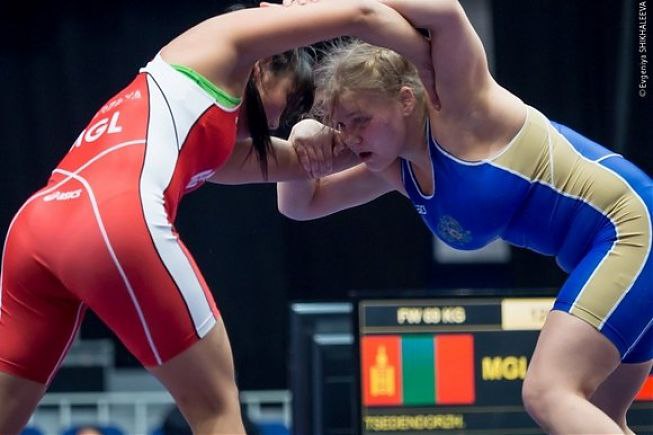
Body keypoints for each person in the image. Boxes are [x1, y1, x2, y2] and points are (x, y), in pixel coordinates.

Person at [0, 2, 434, 434]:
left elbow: (310, 163)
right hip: (111, 217)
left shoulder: (209, 137)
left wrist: (352, 131)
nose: (278, 120)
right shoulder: (222, 42)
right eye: (288, 100)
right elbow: (362, 15)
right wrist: (433, 72)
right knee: (217, 409)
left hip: (36, 228)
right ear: (265, 65)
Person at [277, 1, 653, 433]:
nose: (350, 137)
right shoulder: (396, 169)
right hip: (616, 248)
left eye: (360, 120)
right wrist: (300, 136)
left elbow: (447, 12)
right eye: (341, 125)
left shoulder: (458, 107)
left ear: (405, 100)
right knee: (598, 416)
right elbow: (300, 205)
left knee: (548, 391)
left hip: (632, 227)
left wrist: (329, 7)